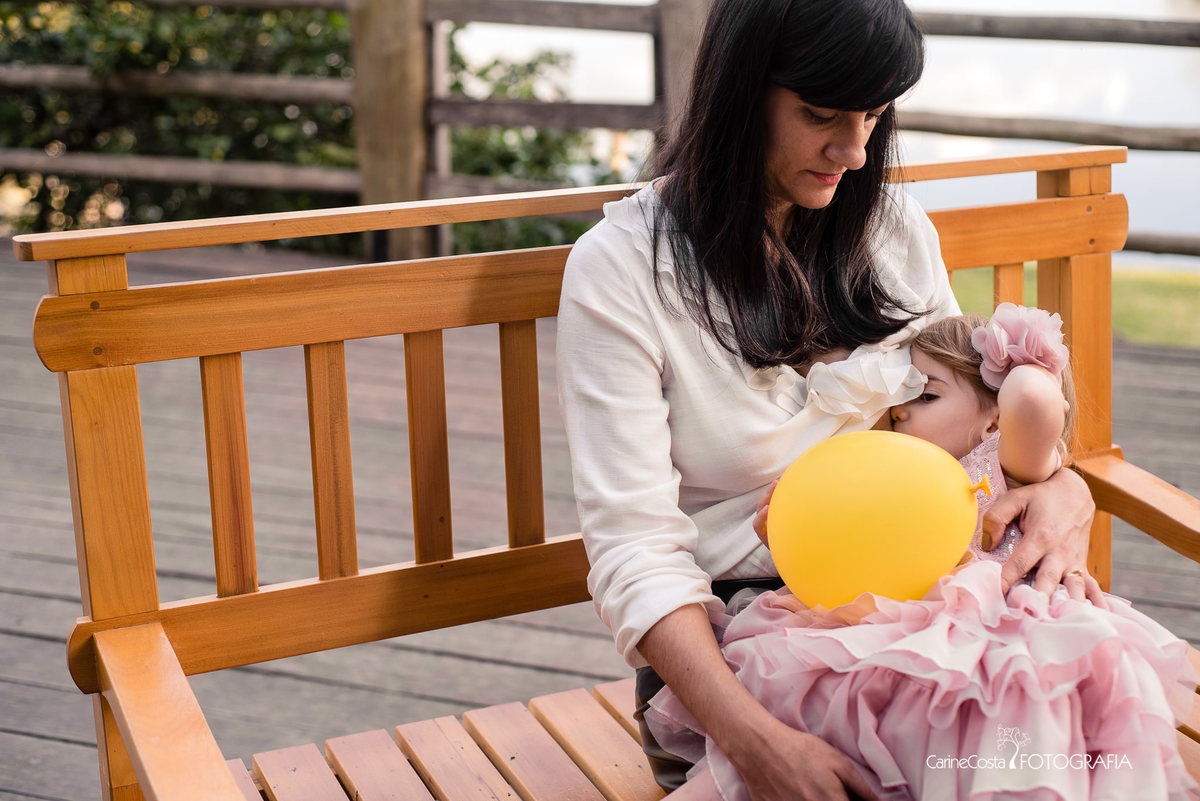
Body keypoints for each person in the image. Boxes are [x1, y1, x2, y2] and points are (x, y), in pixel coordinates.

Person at [556, 0, 1098, 797]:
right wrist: (757, 743)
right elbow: (635, 552)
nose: (855, 149)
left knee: (1055, 708)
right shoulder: (621, 272)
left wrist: (1063, 486)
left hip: (931, 598)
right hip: (743, 645)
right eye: (821, 114)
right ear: (742, 90)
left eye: (873, 115)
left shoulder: (892, 230)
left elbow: (977, 415)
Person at [642, 307, 1199, 800]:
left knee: (1010, 694)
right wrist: (787, 533)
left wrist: (1020, 357)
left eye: (926, 396)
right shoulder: (901, 476)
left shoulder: (1004, 464)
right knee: (877, 698)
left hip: (1002, 626)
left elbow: (1033, 401)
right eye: (902, 398)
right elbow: (858, 557)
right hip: (908, 630)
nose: (901, 412)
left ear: (993, 416)